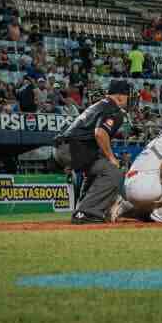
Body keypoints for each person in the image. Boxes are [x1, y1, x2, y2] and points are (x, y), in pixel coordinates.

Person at [53, 80, 131, 224]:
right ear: (120, 96)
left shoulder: (101, 105)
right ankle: (86, 212)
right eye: (127, 95)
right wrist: (112, 157)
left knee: (97, 170)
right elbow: (100, 133)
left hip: (66, 148)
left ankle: (84, 209)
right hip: (73, 149)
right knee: (113, 170)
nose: (129, 98)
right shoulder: (114, 109)